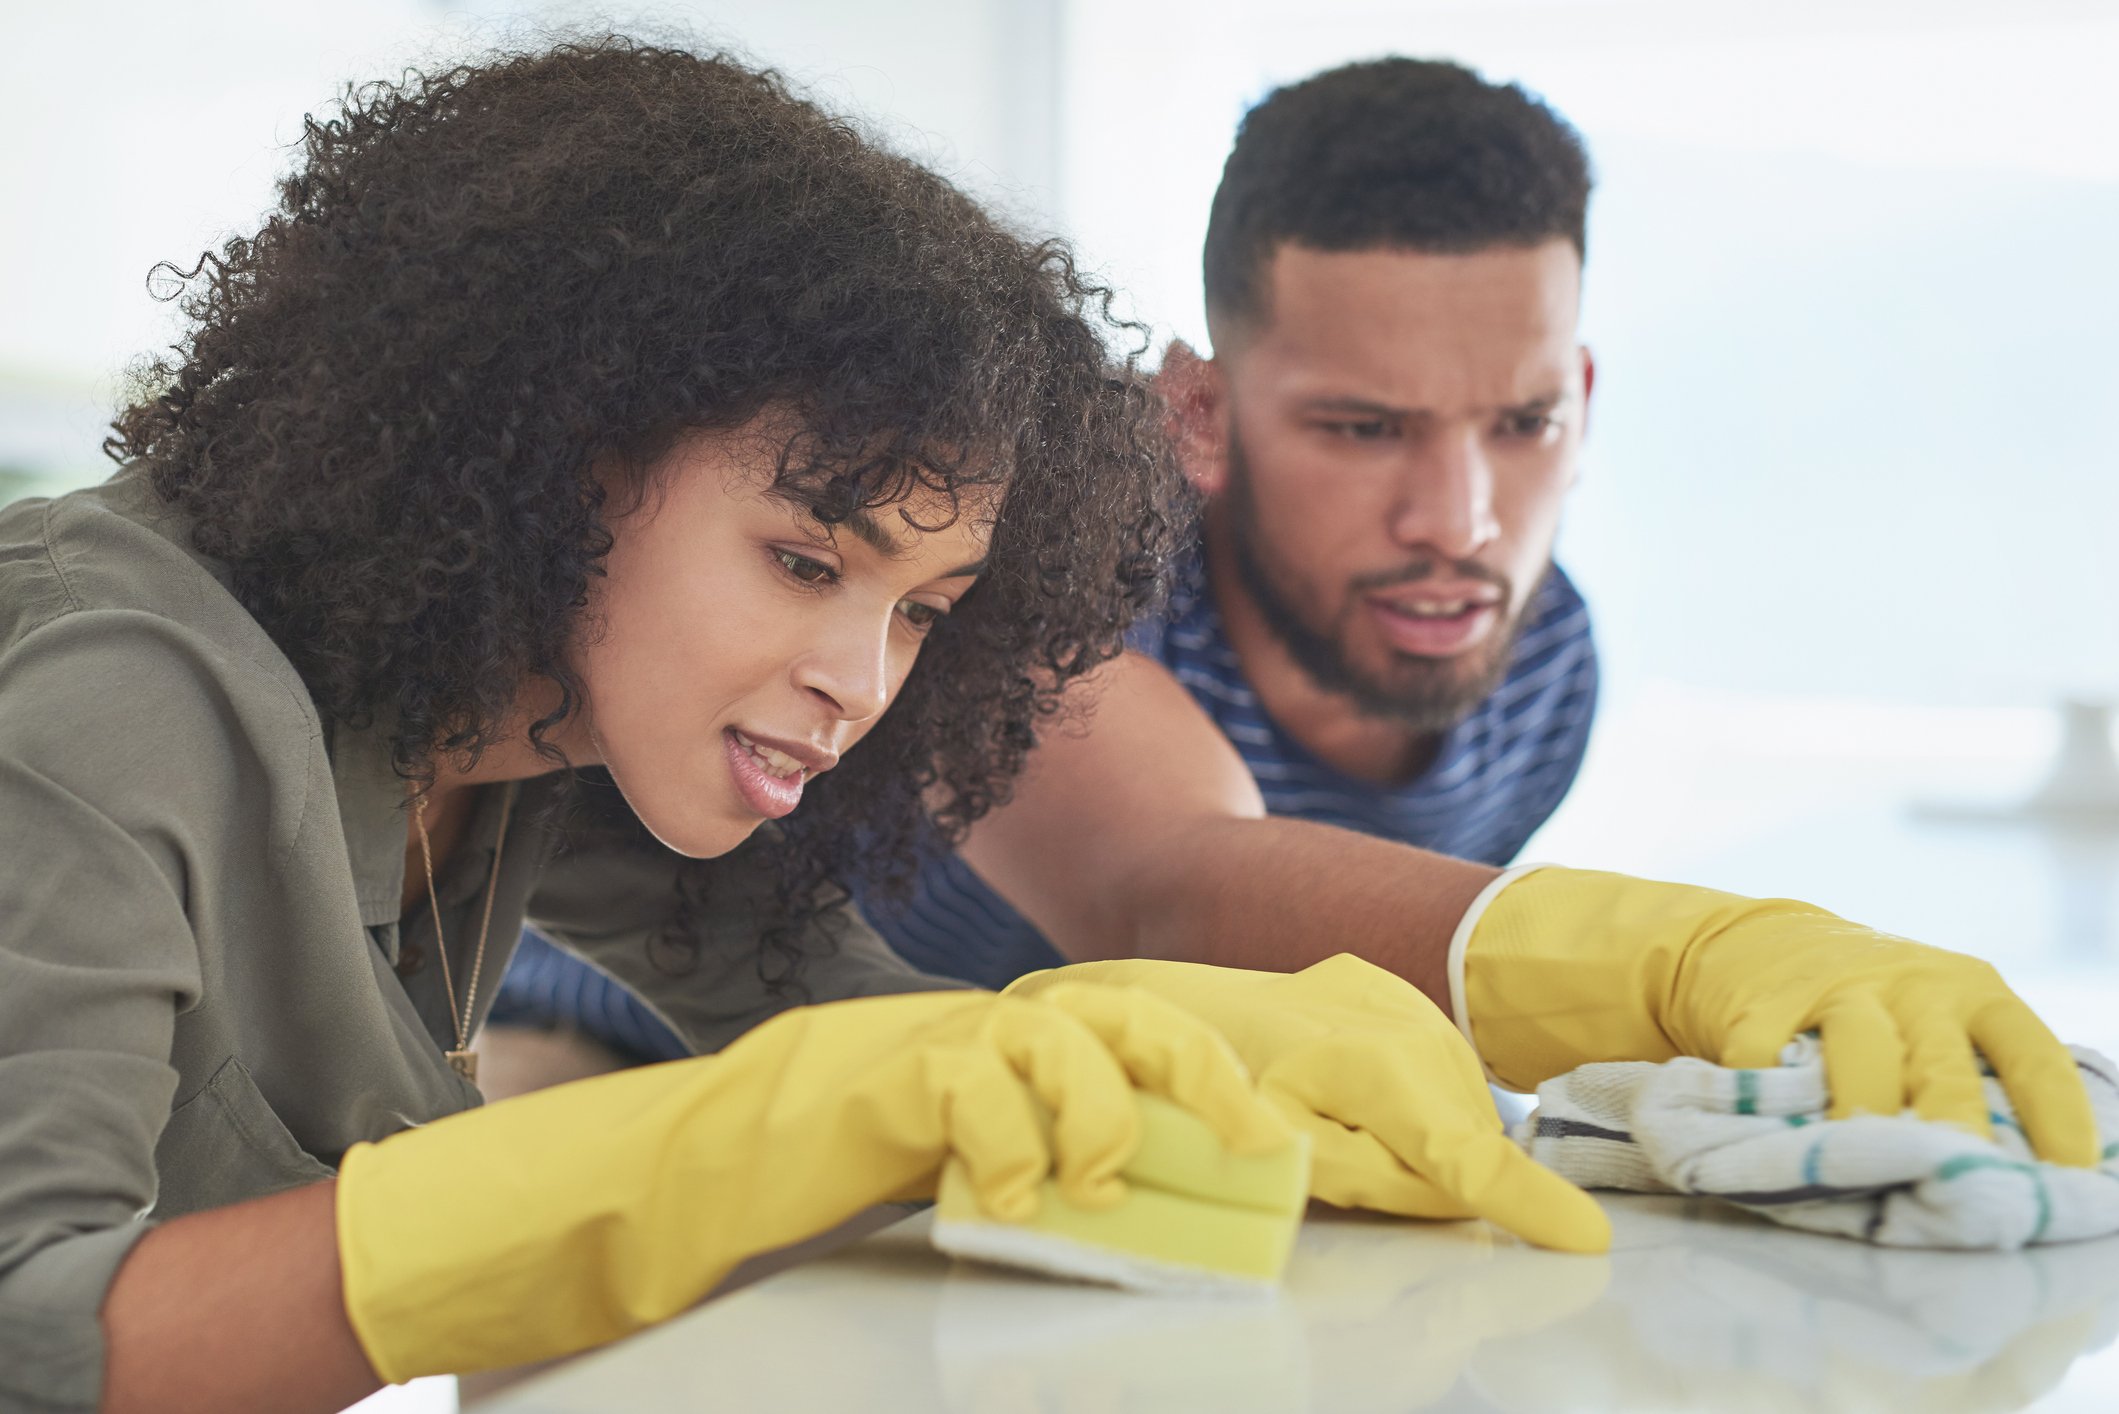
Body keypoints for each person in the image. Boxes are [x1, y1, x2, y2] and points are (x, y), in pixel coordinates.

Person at [6, 40, 1602, 1413]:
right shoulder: (117, 699)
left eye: (922, 606)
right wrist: (672, 1159)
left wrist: (1202, 1082)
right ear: (569, 457)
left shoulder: (525, 723)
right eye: (805, 560)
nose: (862, 677)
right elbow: (35, 1332)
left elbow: (846, 1020)